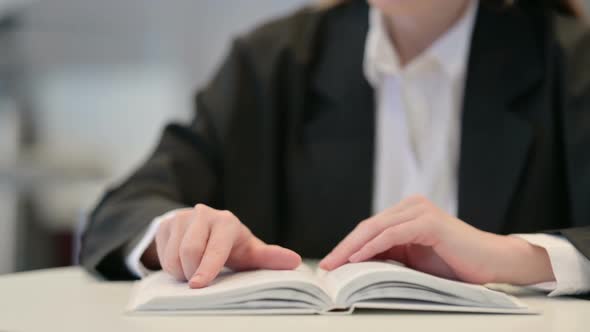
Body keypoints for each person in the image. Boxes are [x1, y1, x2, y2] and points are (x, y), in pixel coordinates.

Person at [80, 0, 590, 296]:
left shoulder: (572, 63)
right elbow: (122, 210)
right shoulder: (274, 62)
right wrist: (180, 234)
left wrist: (517, 257)